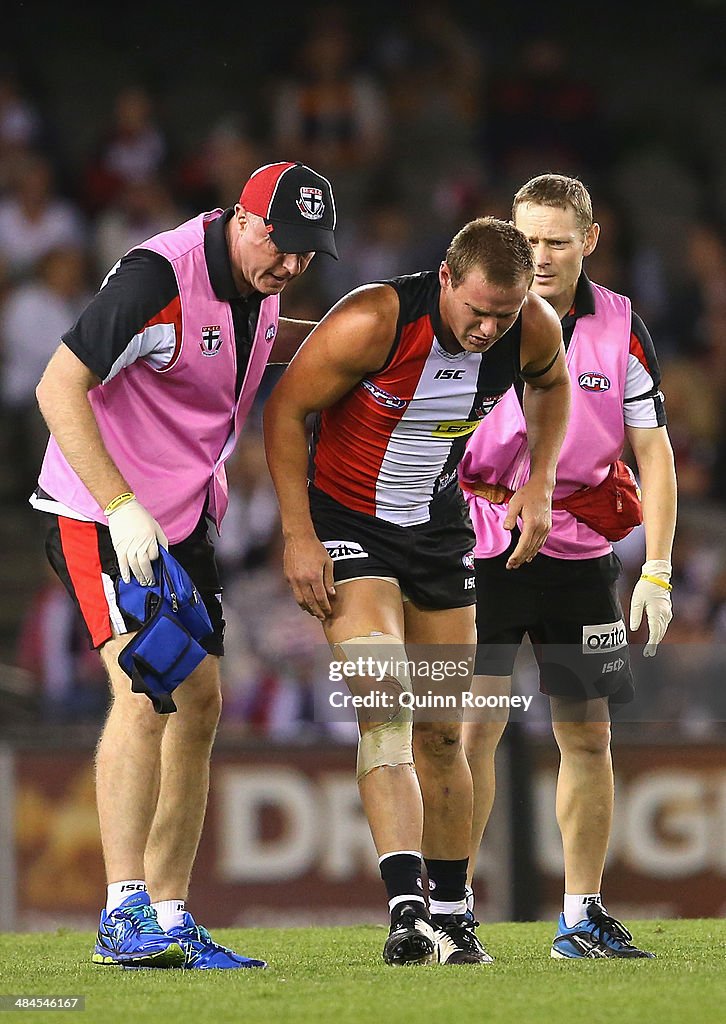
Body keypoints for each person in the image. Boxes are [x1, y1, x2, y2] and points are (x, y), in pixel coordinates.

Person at [32, 161, 338, 969]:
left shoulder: (262, 281)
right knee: (143, 691)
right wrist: (121, 506)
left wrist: (366, 342)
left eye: (309, 254)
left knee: (200, 701)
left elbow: (261, 342)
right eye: (283, 245)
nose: (293, 267)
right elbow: (58, 388)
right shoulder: (157, 275)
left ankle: (168, 914)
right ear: (244, 218)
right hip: (101, 513)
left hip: (183, 520)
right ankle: (120, 912)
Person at [263, 216, 571, 965]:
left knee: (443, 732)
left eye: (503, 315)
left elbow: (552, 386)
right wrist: (298, 534)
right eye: (476, 313)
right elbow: (284, 411)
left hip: (438, 539)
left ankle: (454, 913)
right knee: (386, 706)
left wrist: (541, 479)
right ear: (444, 279)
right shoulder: (373, 321)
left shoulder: (531, 327)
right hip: (349, 528)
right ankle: (406, 914)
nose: (488, 329)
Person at [461, 174, 677, 959]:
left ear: (589, 240)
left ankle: (581, 915)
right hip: (481, 546)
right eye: (528, 240)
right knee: (471, 731)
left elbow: (654, 452)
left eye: (557, 240)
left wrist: (656, 566)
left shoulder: (620, 325)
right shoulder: (473, 311)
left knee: (587, 738)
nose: (541, 257)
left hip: (581, 557)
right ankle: (453, 911)